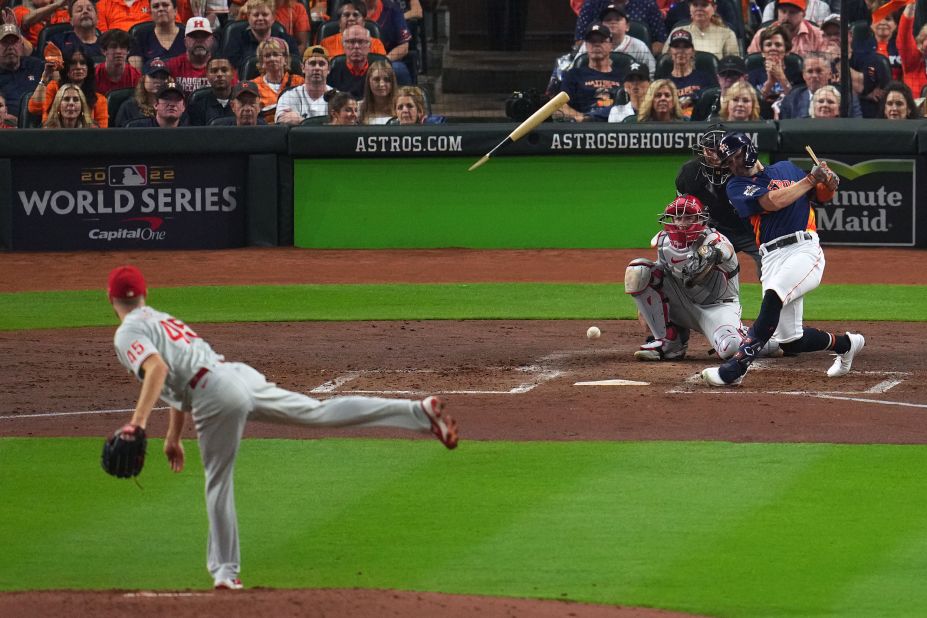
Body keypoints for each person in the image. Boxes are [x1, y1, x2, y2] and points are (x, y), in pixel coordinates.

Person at [104, 265, 457, 590]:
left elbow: (158, 371)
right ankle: (417, 413)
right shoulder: (161, 319)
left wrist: (137, 423)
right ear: (144, 294)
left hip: (215, 394)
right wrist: (173, 436)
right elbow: (175, 379)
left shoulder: (128, 332)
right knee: (318, 413)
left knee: (218, 482)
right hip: (235, 376)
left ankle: (225, 572)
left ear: (110, 298)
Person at [701, 132, 865, 387]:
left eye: (735, 157)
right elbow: (772, 201)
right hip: (772, 258)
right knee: (791, 340)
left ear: (748, 150)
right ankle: (846, 344)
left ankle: (735, 369)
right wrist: (812, 179)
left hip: (804, 250)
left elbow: (822, 196)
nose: (732, 165)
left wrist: (828, 182)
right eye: (728, 162)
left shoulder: (786, 168)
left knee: (773, 298)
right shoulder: (735, 186)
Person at [625, 195, 766, 362]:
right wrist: (645, 307)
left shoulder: (714, 240)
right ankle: (670, 343)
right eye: (678, 217)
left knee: (732, 348)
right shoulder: (664, 241)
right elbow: (658, 275)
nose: (682, 223)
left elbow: (725, 250)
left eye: (689, 217)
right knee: (638, 270)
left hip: (717, 308)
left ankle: (761, 339)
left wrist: (713, 253)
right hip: (683, 302)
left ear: (701, 219)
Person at [675, 125, 760, 274]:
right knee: (695, 267)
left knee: (770, 264)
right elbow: (683, 209)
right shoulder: (689, 173)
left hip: (749, 229)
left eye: (718, 150)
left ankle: (775, 295)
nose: (715, 156)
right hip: (714, 229)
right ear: (702, 149)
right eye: (710, 150)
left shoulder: (746, 167)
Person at [559, 23, 627, 121]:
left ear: (611, 45)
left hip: (616, 125)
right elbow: (559, 106)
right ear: (586, 45)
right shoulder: (574, 75)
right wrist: (580, 117)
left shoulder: (623, 76)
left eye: (602, 41)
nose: (596, 44)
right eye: (592, 41)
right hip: (584, 127)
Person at [29, 46, 108, 127]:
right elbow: (35, 109)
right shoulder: (53, 88)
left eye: (83, 63)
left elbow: (101, 134)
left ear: (88, 68)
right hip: (52, 136)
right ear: (66, 67)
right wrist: (45, 77)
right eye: (73, 63)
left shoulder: (99, 100)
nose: (78, 67)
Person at [575, 0, 667, 56]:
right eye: (608, 19)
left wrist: (641, 55)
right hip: (599, 60)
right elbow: (580, 40)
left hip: (637, 63)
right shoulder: (591, 4)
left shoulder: (648, 4)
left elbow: (660, 42)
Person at [226, 0, 298, 70]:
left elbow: (295, 65)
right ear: (248, 17)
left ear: (273, 17)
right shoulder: (236, 41)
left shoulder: (287, 41)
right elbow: (231, 69)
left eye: (265, 14)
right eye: (256, 15)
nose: (260, 18)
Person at [664, 29, 716, 118]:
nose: (681, 51)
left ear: (692, 52)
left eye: (686, 47)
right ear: (669, 52)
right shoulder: (663, 83)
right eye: (676, 46)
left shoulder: (706, 79)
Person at [275, 44, 331, 123]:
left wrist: (302, 121)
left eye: (321, 64)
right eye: (312, 63)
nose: (317, 67)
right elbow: (281, 121)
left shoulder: (338, 98)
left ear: (328, 69)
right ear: (303, 68)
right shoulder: (288, 96)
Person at [746, 0, 826, 56]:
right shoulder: (761, 35)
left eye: (792, 12)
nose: (786, 17)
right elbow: (751, 66)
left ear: (803, 14)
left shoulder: (817, 36)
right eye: (783, 11)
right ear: (777, 11)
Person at [251, 37, 303, 122]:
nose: (272, 59)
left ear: (285, 59)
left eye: (275, 54)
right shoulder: (253, 86)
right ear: (261, 62)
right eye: (267, 56)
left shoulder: (299, 82)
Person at [666, 0, 739, 60]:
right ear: (690, 8)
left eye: (704, 5)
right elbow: (665, 62)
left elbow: (733, 65)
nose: (699, 9)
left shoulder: (727, 34)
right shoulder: (677, 32)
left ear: (714, 8)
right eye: (695, 5)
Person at [0, 24, 44, 118]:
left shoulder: (36, 66)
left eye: (14, 42)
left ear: (21, 45)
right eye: (5, 42)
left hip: (38, 125)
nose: (10, 47)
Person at [165, 16, 217, 97]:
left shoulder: (223, 67)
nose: (199, 41)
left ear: (212, 40)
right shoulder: (172, 66)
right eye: (194, 36)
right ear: (185, 42)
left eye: (204, 36)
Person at [747, 24, 795, 109]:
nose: (773, 48)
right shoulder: (752, 76)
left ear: (787, 50)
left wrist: (781, 77)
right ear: (762, 51)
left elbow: (797, 101)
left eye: (778, 45)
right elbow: (751, 105)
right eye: (768, 45)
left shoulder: (796, 73)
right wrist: (769, 83)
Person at [129, 0, 185, 71]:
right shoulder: (140, 35)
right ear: (150, 13)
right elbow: (135, 75)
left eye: (165, 5)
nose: (161, 9)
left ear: (175, 10)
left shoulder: (188, 36)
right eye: (156, 6)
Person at [366, 0, 413, 84]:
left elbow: (404, 47)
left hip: (388, 58)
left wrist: (383, 60)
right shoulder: (350, 11)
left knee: (398, 69)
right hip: (356, 60)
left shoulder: (392, 9)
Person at [319, 1, 388, 58]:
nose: (351, 18)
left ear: (364, 22)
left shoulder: (376, 44)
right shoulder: (326, 44)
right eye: (346, 15)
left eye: (355, 15)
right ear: (339, 22)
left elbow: (382, 68)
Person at [115, 58, 172, 126]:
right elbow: (119, 134)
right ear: (143, 78)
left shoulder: (174, 106)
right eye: (153, 76)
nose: (158, 81)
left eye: (163, 77)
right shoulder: (128, 107)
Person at [326, 23, 373, 98]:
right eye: (351, 42)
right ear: (343, 45)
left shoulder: (378, 71)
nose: (356, 46)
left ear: (369, 46)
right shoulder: (333, 71)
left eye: (361, 42)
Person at [185, 56, 235, 125]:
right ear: (207, 75)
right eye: (214, 71)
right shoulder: (197, 107)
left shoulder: (241, 101)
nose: (219, 74)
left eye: (224, 70)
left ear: (232, 74)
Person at [94, 29, 141, 95]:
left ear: (128, 51)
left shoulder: (136, 76)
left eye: (122, 47)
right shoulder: (94, 75)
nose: (118, 51)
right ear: (104, 51)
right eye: (113, 47)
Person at [898, 2, 927, 102]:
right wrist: (911, 4)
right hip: (914, 114)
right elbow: (904, 34)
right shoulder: (913, 61)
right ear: (922, 42)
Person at [358, 59, 396, 124]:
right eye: (376, 79)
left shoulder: (401, 107)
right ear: (368, 81)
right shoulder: (358, 109)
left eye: (387, 79)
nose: (381, 84)